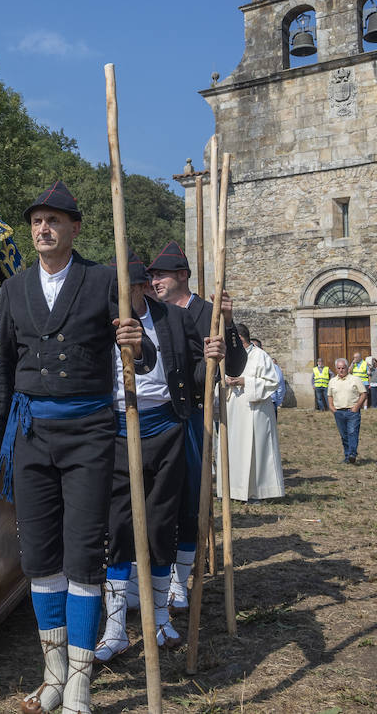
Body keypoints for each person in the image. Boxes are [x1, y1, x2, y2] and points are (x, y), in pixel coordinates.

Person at [0, 182, 144, 714]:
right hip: (29, 439)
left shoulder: (104, 281)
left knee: (83, 556)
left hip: (90, 436)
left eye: (54, 220)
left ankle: (81, 682)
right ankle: (53, 674)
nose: (43, 228)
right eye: (36, 221)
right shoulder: (13, 291)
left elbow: (140, 366)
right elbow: (3, 375)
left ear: (75, 228)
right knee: (38, 558)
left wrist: (136, 346)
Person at [93, 251, 238, 662]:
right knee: (118, 529)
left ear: (140, 287)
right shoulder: (101, 323)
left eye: (133, 285)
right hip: (117, 432)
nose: (127, 293)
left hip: (166, 430)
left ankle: (158, 620)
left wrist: (210, 360)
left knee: (160, 527)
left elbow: (192, 378)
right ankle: (117, 630)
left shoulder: (172, 320)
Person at [147, 243, 239, 612]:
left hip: (193, 420)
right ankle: (155, 575)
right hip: (156, 421)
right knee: (156, 503)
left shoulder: (207, 312)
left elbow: (233, 366)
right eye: (151, 276)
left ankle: (180, 580)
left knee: (190, 500)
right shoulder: (152, 314)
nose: (154, 282)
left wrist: (228, 325)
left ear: (182, 275)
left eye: (161, 275)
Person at [219, 324, 284, 503]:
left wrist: (244, 381)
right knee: (231, 449)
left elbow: (272, 382)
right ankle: (230, 490)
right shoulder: (227, 357)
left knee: (255, 451)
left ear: (239, 339)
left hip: (255, 411)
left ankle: (256, 492)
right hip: (232, 408)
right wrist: (225, 381)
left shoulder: (260, 356)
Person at [327, 358, 367, 464]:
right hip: (338, 412)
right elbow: (330, 395)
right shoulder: (332, 381)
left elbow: (363, 393)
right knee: (344, 435)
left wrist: (357, 407)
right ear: (336, 369)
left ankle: (352, 454)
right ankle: (347, 457)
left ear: (347, 368)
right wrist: (332, 408)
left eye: (343, 368)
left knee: (352, 432)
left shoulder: (355, 379)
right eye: (339, 368)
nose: (341, 370)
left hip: (352, 412)